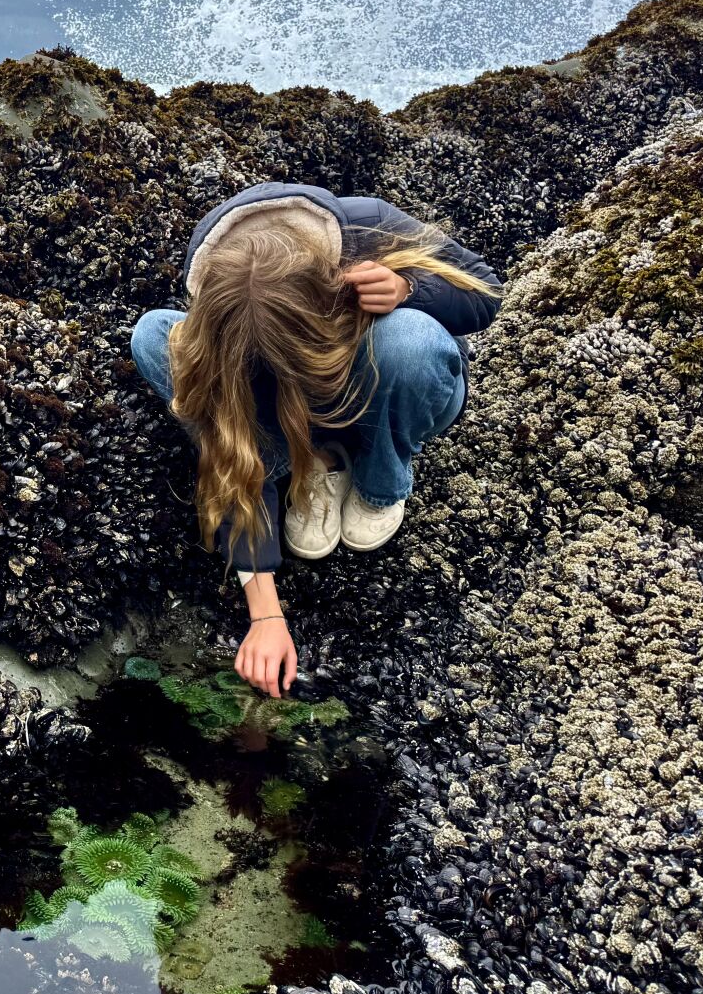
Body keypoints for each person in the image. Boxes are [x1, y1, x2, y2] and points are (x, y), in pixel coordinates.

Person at [130, 182, 502, 698]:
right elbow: (230, 444)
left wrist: (408, 288)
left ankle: (378, 479)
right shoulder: (225, 305)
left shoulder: (368, 223)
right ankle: (313, 464)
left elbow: (487, 293)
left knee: (412, 339)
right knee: (153, 335)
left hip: (383, 383)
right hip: (279, 406)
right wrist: (265, 616)